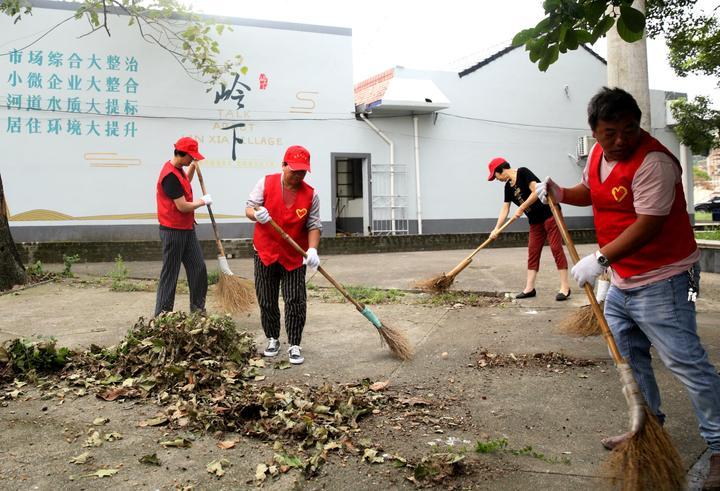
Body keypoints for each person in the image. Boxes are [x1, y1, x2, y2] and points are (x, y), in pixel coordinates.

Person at [537, 86, 720, 490]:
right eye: (609, 132)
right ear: (594, 132)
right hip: (624, 280)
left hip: (668, 279)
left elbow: (648, 224)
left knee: (687, 363)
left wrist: (600, 259)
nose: (621, 139)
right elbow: (595, 192)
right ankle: (646, 427)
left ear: (639, 125)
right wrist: (560, 193)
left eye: (629, 129)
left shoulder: (653, 161)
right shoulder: (600, 156)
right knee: (628, 357)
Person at [245, 145, 321, 365]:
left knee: (295, 300)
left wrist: (312, 249)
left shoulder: (311, 194)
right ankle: (272, 338)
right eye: (294, 170)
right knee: (267, 299)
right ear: (283, 165)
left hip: (294, 256)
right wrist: (257, 214)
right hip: (265, 252)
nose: (298, 175)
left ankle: (295, 344)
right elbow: (249, 208)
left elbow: (314, 224)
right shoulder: (265, 183)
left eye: (302, 171)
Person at [487, 158, 571, 301]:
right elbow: (505, 208)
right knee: (532, 252)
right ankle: (529, 288)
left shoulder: (523, 172)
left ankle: (565, 287)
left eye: (495, 176)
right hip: (535, 221)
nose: (496, 179)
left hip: (550, 214)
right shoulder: (508, 187)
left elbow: (535, 192)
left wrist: (521, 207)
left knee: (556, 249)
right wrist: (496, 229)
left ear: (500, 170)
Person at [155, 137, 212, 317]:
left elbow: (184, 184)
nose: (192, 160)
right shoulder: (169, 176)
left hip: (187, 229)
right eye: (191, 157)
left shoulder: (178, 170)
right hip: (173, 231)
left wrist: (192, 169)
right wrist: (202, 202)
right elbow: (182, 206)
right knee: (170, 274)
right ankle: (162, 316)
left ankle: (197, 310)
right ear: (181, 154)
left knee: (198, 268)